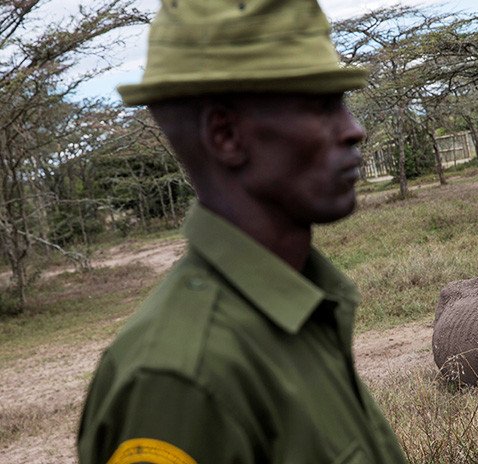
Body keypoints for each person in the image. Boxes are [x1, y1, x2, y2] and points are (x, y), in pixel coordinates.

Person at [76, 0, 407, 462]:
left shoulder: (301, 313)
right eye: (320, 107)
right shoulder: (182, 381)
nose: (354, 130)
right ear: (226, 135)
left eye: (343, 104)